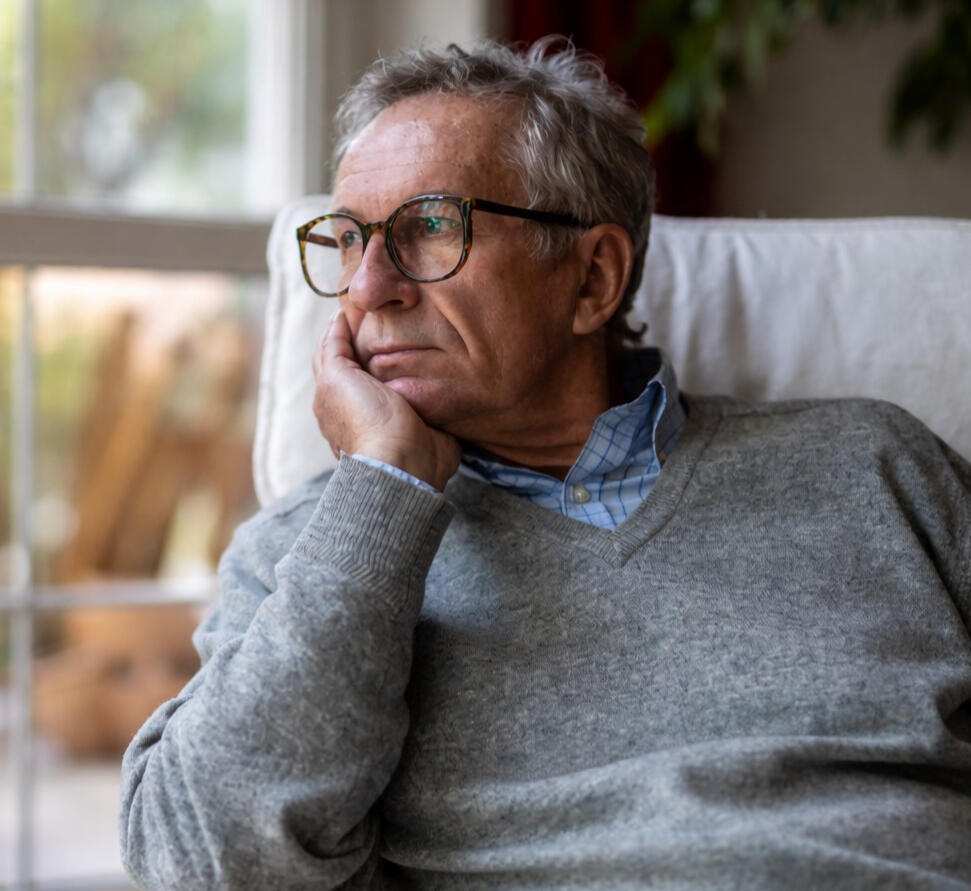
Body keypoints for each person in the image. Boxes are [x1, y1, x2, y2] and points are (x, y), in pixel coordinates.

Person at [120, 38, 971, 890]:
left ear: (593, 278)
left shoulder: (879, 467)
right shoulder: (310, 554)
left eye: (431, 228)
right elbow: (201, 863)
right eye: (348, 240)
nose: (369, 286)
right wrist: (383, 491)